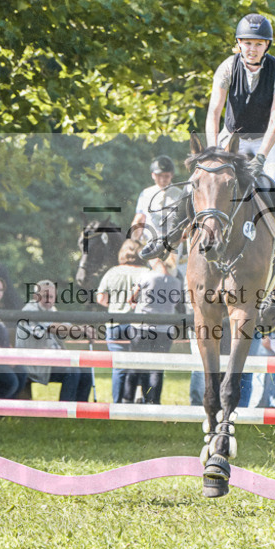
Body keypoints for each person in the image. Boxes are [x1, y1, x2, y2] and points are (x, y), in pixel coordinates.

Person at [142, 13, 275, 282]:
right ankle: (167, 238)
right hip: (232, 134)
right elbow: (214, 111)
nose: (252, 49)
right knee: (198, 181)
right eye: (247, 43)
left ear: (267, 46)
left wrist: (261, 157)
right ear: (238, 43)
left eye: (258, 44)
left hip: (268, 137)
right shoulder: (227, 67)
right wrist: (214, 152)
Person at [17, 279, 93, 402]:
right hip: (35, 363)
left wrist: (84, 331)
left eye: (51, 296)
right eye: (45, 296)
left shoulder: (52, 310)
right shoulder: (30, 310)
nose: (48, 299)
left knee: (85, 369)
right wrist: (79, 330)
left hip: (53, 360)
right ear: (36, 296)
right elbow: (52, 327)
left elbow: (65, 327)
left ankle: (80, 410)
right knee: (72, 370)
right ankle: (65, 410)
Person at [97, 240, 148, 402]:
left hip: (114, 325)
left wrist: (114, 304)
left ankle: (117, 404)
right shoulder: (146, 272)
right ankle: (136, 401)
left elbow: (101, 299)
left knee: (119, 367)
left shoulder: (112, 272)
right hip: (137, 326)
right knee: (139, 366)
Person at [127, 257, 183, 404]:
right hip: (165, 330)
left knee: (137, 365)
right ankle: (153, 402)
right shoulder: (176, 282)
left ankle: (127, 400)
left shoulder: (145, 276)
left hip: (142, 327)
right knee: (157, 368)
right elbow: (176, 303)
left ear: (157, 261)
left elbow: (131, 298)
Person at [129, 156, 184, 248]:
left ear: (172, 175)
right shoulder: (146, 194)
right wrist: (134, 241)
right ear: (153, 175)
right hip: (148, 242)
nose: (163, 179)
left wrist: (179, 240)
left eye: (166, 176)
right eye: (159, 176)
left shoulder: (180, 194)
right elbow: (139, 219)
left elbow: (185, 222)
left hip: (172, 244)